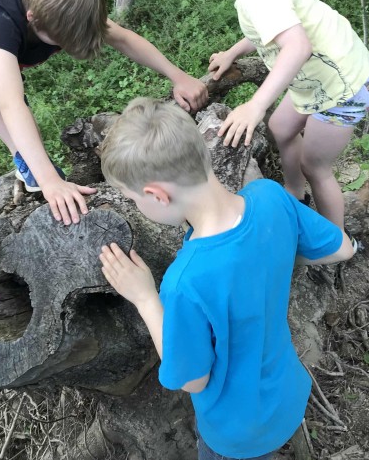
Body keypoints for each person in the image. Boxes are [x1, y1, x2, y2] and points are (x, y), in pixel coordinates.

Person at [98, 97, 354, 460]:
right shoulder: (269, 195)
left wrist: (145, 299)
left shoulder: (184, 282)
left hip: (237, 432)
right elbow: (341, 248)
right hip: (287, 393)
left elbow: (193, 380)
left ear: (156, 194)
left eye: (133, 198)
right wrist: (272, 253)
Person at [0, 0, 208, 226]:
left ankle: (29, 158)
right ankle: (25, 160)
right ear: (32, 18)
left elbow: (123, 38)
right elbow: (10, 103)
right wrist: (49, 180)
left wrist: (179, 76)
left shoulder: (66, 6)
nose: (64, 48)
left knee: (6, 86)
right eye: (60, 43)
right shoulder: (0, 18)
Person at [170, 0, 369, 233]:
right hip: (322, 80)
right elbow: (270, 31)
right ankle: (295, 193)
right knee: (280, 128)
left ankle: (335, 243)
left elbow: (297, 47)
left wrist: (254, 105)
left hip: (344, 87)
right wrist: (232, 53)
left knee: (316, 166)